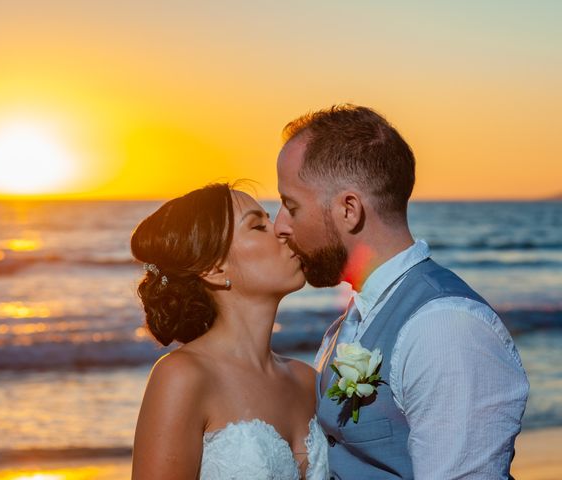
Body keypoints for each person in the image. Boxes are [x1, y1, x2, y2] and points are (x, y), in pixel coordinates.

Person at [274, 104, 529, 479]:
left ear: (349, 210)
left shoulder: (445, 329)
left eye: (290, 206)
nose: (280, 225)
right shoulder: (351, 320)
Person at [130, 183, 329, 479]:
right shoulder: (183, 376)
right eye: (258, 226)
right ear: (215, 269)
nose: (282, 231)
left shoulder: (307, 380)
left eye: (270, 219)